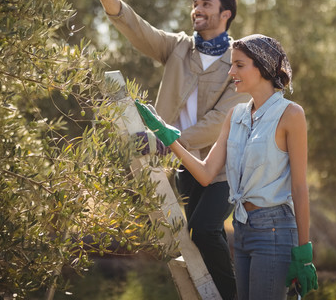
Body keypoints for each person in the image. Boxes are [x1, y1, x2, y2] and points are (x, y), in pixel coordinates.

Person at [83, 0, 250, 299]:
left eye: (206, 4)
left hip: (224, 165)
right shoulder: (178, 47)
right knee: (197, 233)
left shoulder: (239, 61)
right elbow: (136, 28)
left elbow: (219, 122)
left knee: (205, 230)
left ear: (225, 14)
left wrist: (166, 142)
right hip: (183, 166)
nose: (197, 9)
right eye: (195, 4)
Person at [135, 34, 318, 300]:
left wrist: (303, 252)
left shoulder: (291, 115)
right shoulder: (236, 115)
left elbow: (300, 187)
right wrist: (169, 138)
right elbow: (207, 174)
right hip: (242, 227)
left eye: (239, 65)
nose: (231, 71)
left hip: (275, 229)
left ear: (263, 67)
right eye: (231, 64)